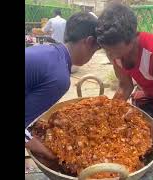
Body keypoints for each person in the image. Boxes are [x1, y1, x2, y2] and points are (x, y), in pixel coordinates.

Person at [25, 12, 100, 159]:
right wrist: (55, 156)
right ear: (89, 42)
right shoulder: (60, 78)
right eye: (95, 50)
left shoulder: (48, 50)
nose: (92, 57)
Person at [96, 3, 153, 149]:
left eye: (114, 51)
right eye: (107, 51)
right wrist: (106, 118)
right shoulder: (115, 52)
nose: (111, 57)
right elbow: (125, 86)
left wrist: (142, 146)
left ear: (131, 39)